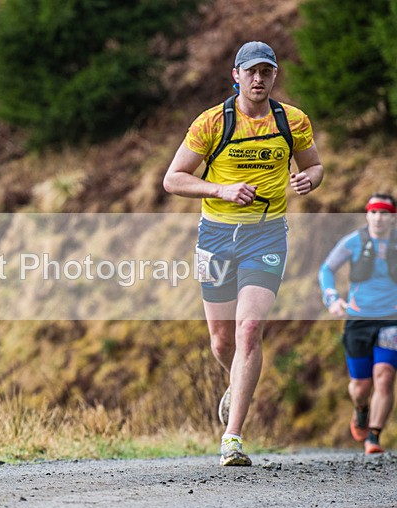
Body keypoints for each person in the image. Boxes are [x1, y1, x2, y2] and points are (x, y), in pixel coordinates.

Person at [163, 41, 324, 466]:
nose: (258, 79)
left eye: (266, 72)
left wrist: (309, 179)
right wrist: (220, 189)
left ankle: (232, 437)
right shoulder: (212, 122)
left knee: (249, 328)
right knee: (221, 341)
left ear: (275, 76)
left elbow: (315, 165)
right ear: (235, 75)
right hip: (215, 236)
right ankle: (236, 380)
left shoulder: (293, 121)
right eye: (250, 72)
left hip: (267, 236)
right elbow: (173, 179)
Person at [318, 193, 397, 454]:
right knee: (361, 386)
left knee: (384, 377)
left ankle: (373, 437)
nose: (378, 218)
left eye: (384, 213)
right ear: (366, 215)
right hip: (358, 319)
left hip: (391, 320)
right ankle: (361, 409)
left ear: (392, 217)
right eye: (373, 212)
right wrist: (333, 299)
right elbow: (326, 269)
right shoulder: (353, 242)